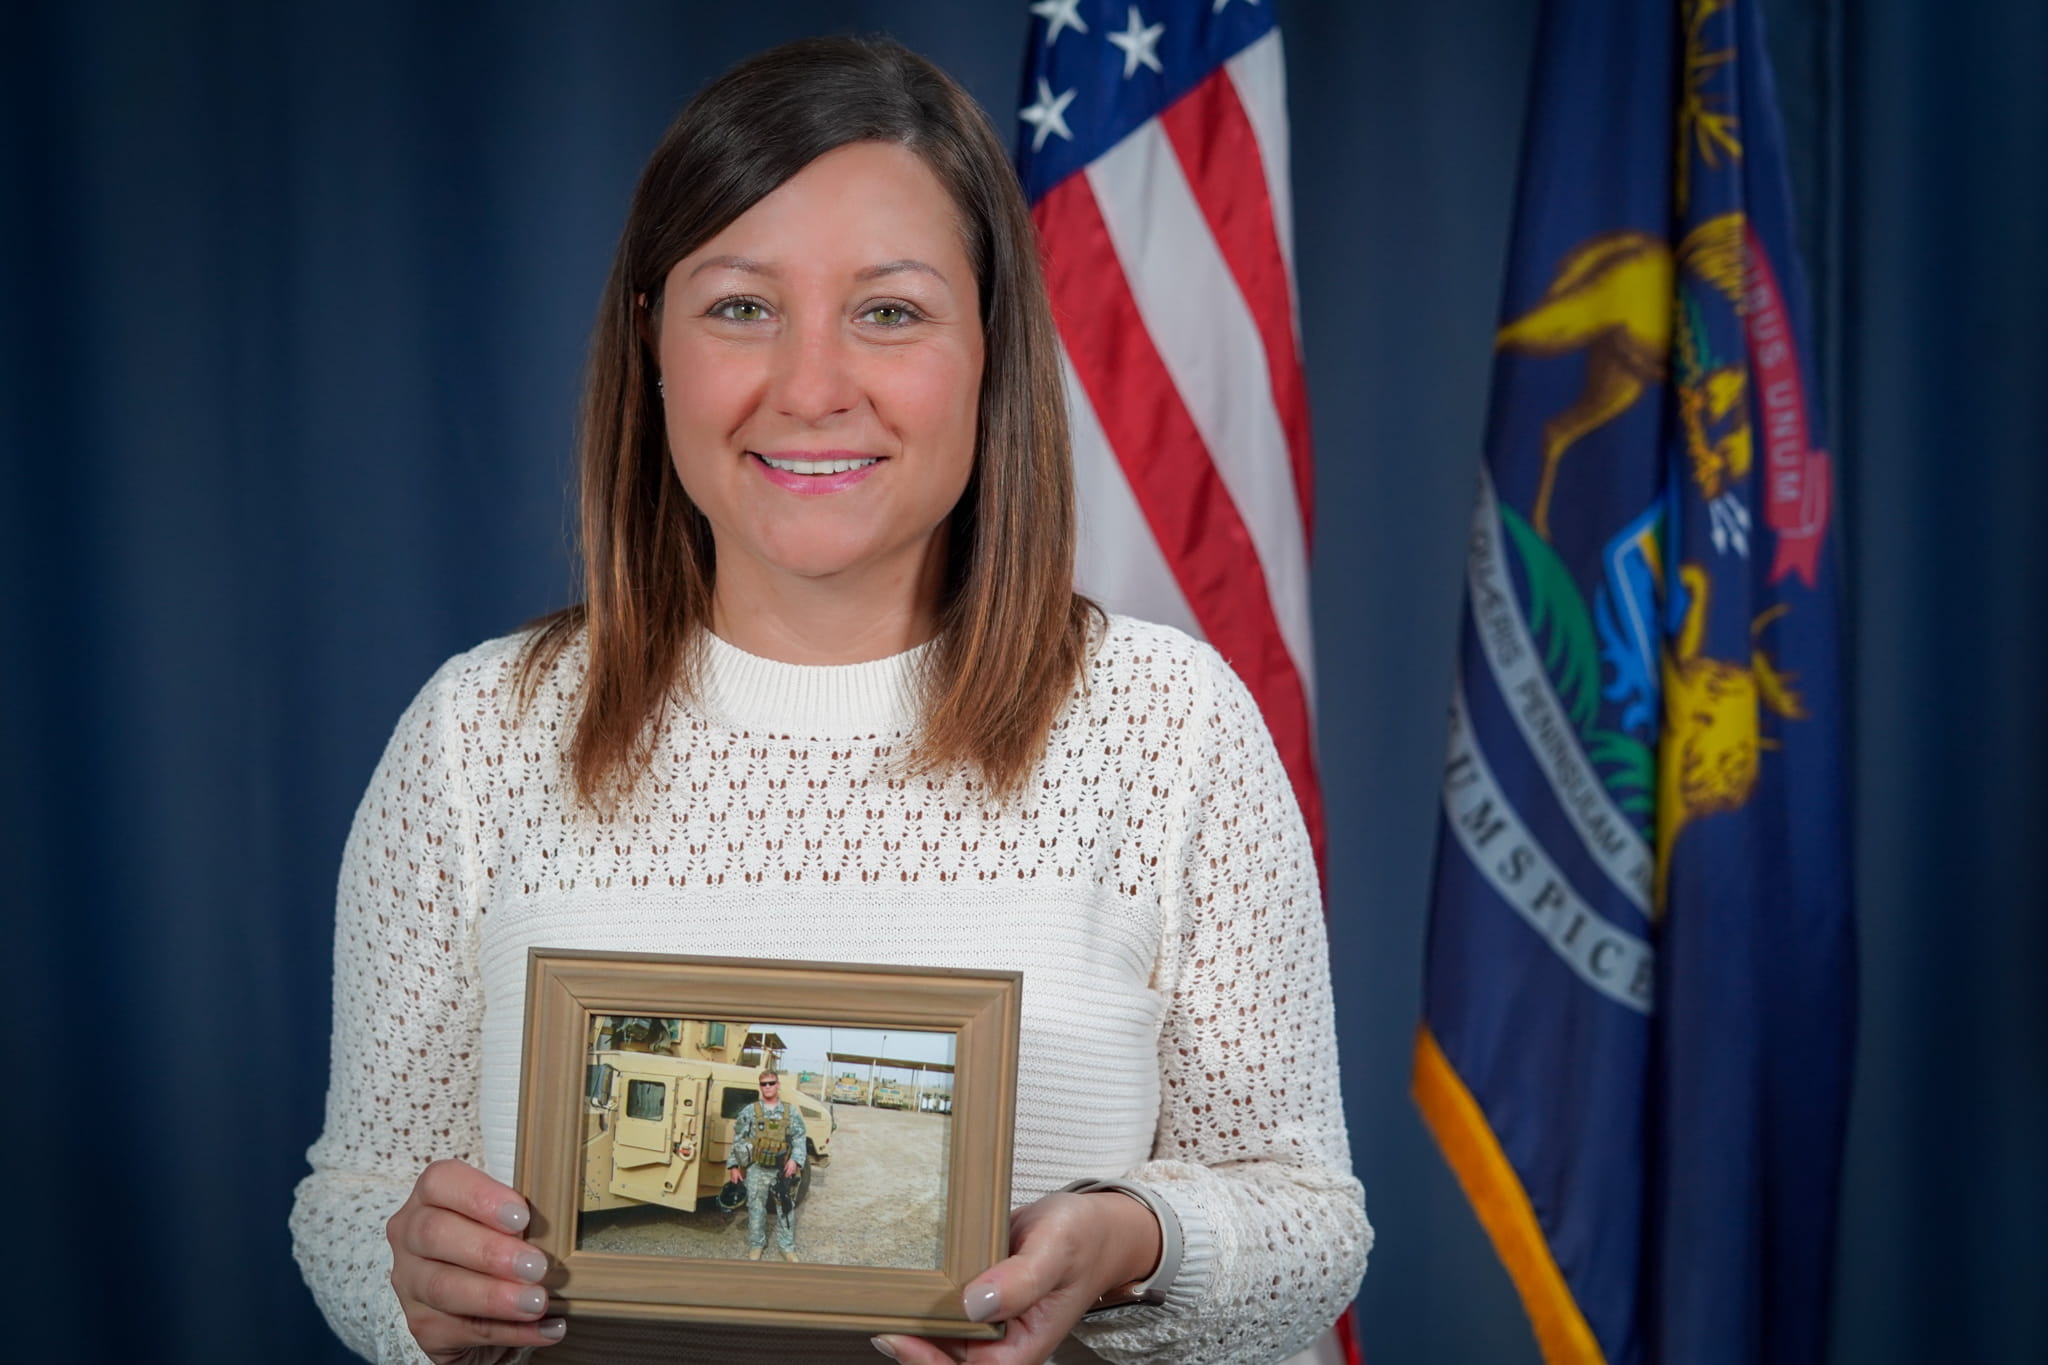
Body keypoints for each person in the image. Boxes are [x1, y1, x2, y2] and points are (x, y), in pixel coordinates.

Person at [290, 33, 1369, 1365]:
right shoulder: (477, 737)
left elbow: (1311, 1225)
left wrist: (1135, 1239)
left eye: (891, 311)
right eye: (742, 306)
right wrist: (413, 1285)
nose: (809, 389)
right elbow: (352, 1205)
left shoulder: (1169, 726)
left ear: (990, 347)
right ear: (654, 340)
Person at [727, 1071, 807, 1263]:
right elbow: (738, 1139)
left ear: (778, 1085)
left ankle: (787, 1248)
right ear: (760, 1086)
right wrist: (734, 1166)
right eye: (763, 1084)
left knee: (786, 1208)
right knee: (755, 1208)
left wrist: (794, 1160)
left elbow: (799, 1138)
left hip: (782, 1170)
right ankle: (756, 1244)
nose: (768, 1087)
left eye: (771, 1083)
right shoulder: (750, 1111)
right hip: (757, 1168)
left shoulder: (790, 1112)